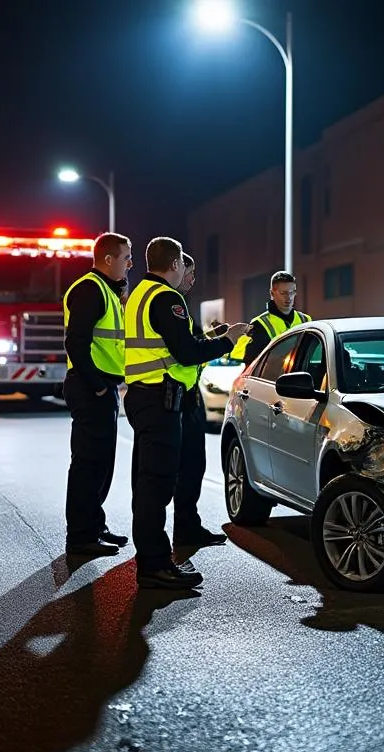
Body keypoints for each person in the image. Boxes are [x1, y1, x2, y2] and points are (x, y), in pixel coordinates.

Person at [123, 237, 250, 589]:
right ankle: (155, 565)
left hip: (145, 396)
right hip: (160, 400)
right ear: (175, 263)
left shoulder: (139, 294)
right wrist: (230, 340)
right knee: (157, 485)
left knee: (148, 483)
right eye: (182, 264)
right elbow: (186, 352)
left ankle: (152, 559)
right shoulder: (166, 297)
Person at [61, 232, 132, 556]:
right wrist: (99, 385)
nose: (130, 263)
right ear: (108, 259)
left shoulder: (106, 290)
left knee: (101, 463)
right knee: (89, 464)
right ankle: (81, 536)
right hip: (92, 388)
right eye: (126, 257)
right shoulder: (90, 289)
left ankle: (94, 526)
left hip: (102, 388)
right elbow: (76, 343)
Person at [173, 252, 229, 549]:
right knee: (183, 469)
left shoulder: (177, 304)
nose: (193, 279)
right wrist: (226, 342)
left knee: (193, 466)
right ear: (177, 269)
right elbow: (188, 352)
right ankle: (178, 537)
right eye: (189, 273)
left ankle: (187, 527)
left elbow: (190, 343)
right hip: (174, 399)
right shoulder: (170, 303)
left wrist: (210, 335)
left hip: (185, 397)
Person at [229, 271, 312, 364]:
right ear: (272, 293)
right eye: (283, 293)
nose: (289, 297)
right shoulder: (259, 324)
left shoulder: (306, 320)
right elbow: (251, 364)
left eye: (292, 292)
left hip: (303, 375)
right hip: (272, 377)